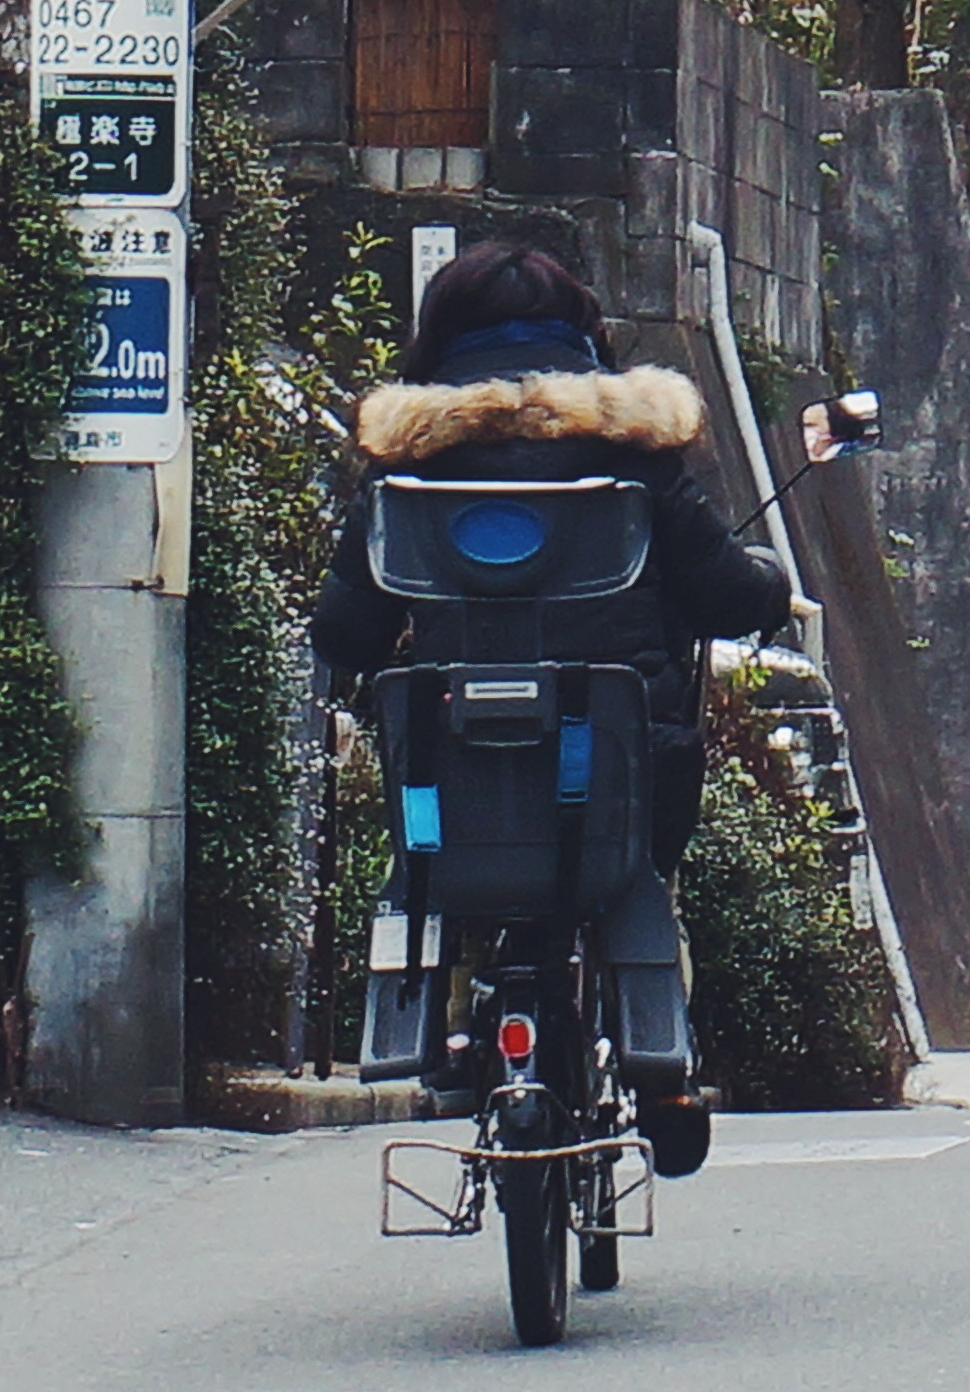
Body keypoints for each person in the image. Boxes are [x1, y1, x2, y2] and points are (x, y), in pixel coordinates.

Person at [312, 241, 792, 1170]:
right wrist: (770, 589)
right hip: (621, 768)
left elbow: (344, 631)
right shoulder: (635, 455)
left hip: (448, 780)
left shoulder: (405, 469)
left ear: (439, 339)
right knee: (638, 874)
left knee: (444, 857)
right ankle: (663, 1070)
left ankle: (455, 1028)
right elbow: (727, 594)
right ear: (582, 337)